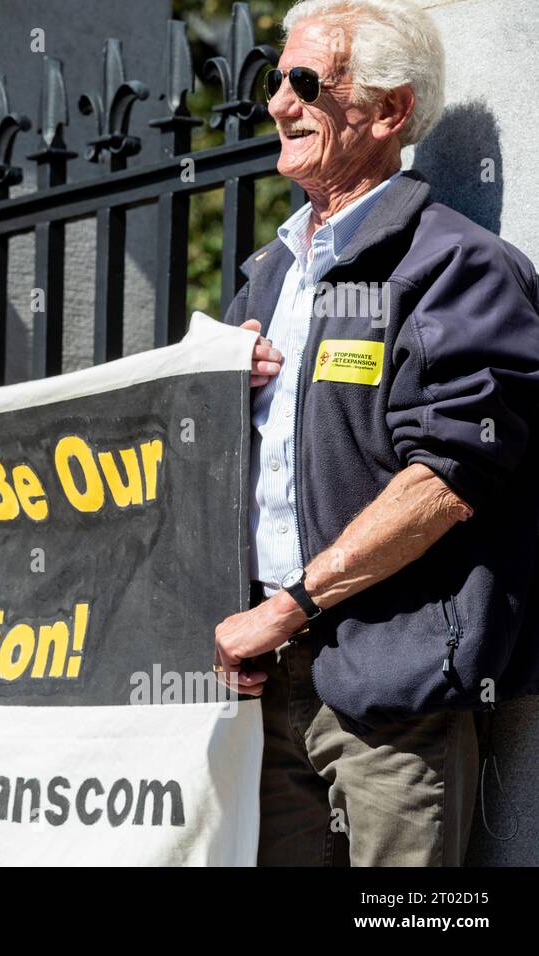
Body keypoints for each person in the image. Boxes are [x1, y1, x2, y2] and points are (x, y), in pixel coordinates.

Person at [216, 0, 539, 866]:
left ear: (390, 111)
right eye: (273, 80)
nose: (279, 103)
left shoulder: (459, 267)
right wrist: (208, 386)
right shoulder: (268, 270)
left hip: (391, 688)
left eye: (306, 83)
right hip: (266, 680)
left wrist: (291, 606)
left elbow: (449, 478)